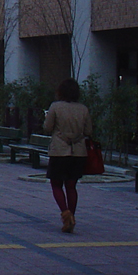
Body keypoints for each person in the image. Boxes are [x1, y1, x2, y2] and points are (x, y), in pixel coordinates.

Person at [44, 77, 92, 234]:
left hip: (59, 151)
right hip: (78, 152)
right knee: (71, 186)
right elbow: (88, 131)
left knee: (56, 184)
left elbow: (47, 127)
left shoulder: (55, 107)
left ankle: (66, 214)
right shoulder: (83, 109)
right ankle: (72, 215)